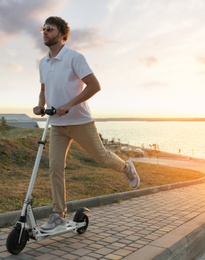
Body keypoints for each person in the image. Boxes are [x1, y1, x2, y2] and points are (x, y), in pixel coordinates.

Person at [33, 16, 140, 231]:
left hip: (81, 121)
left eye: (49, 29)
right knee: (55, 167)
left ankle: (126, 167)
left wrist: (69, 105)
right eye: (43, 29)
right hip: (57, 125)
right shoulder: (43, 63)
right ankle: (58, 214)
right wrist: (39, 105)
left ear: (62, 34)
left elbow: (94, 86)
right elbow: (44, 89)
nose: (44, 32)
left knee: (102, 157)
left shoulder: (74, 58)